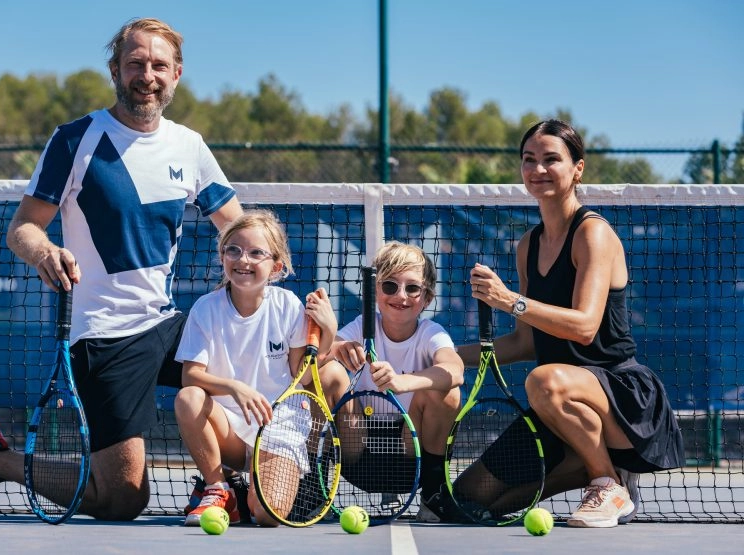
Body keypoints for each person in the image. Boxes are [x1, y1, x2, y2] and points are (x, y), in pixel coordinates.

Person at [0, 17, 243, 521]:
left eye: (158, 65)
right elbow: (23, 226)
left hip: (169, 323)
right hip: (106, 336)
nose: (146, 75)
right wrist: (43, 252)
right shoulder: (75, 140)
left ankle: (221, 482)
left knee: (248, 367)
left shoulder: (189, 146)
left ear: (176, 75)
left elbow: (239, 227)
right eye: (135, 64)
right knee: (122, 499)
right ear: (115, 70)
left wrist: (266, 279)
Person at [451, 119, 684, 528]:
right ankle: (584, 466)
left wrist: (508, 300)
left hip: (621, 400)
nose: (538, 169)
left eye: (551, 159)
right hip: (560, 404)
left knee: (543, 381)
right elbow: (523, 343)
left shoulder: (593, 234)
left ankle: (608, 482)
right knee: (468, 500)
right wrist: (442, 356)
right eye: (529, 160)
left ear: (578, 168)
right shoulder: (528, 246)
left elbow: (584, 328)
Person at [174, 209, 338, 527]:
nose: (243, 260)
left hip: (279, 430)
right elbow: (190, 376)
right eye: (233, 249)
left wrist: (328, 332)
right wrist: (236, 388)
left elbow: (302, 376)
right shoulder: (205, 309)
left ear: (275, 266)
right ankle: (219, 488)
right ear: (222, 257)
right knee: (189, 398)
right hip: (230, 431)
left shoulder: (288, 306)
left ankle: (256, 485)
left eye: (256, 252)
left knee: (267, 515)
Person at [323, 241, 465, 523]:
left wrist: (402, 382)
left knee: (447, 390)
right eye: (390, 286)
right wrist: (335, 349)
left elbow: (455, 369)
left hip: (410, 458)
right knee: (329, 374)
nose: (401, 296)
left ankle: (433, 493)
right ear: (376, 292)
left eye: (412, 288)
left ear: (426, 298)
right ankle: (314, 488)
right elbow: (310, 366)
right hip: (359, 455)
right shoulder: (363, 325)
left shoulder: (430, 332)